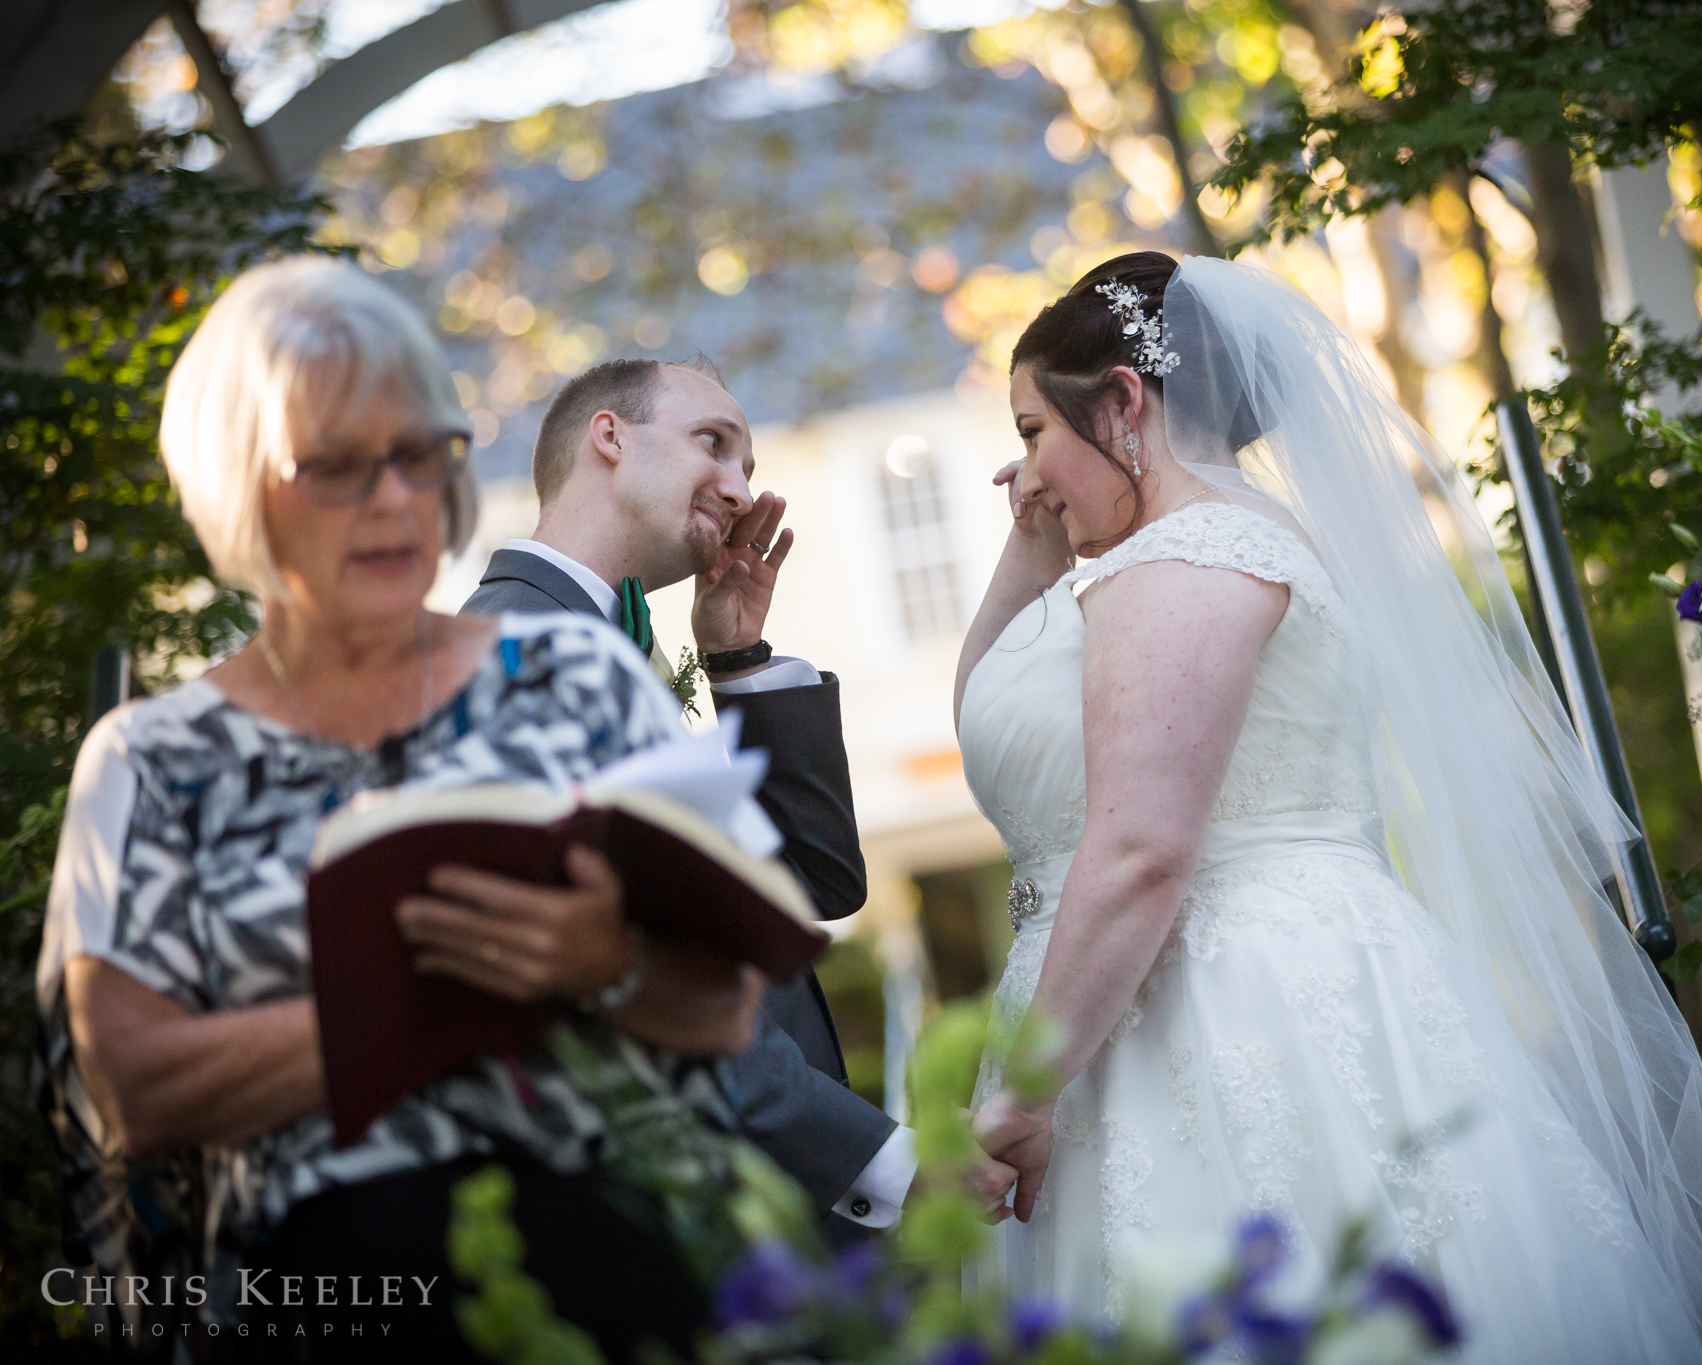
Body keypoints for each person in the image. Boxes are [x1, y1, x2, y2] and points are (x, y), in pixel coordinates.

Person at [959, 252, 1702, 1363]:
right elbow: (998, 728)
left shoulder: (1189, 560)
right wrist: (1032, 544)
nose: (1027, 469)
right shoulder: (1209, 543)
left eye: (1034, 429)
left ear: (1124, 402)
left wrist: (1027, 1093)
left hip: (1221, 1000)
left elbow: (1138, 850)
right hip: (1211, 975)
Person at [36, 258, 764, 1359]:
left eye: (417, 457)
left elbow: (727, 1006)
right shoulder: (151, 757)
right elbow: (130, 1083)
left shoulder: (577, 676)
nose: (390, 500)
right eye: (335, 468)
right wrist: (427, 1001)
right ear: (240, 487)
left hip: (618, 1274)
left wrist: (600, 962)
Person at [461, 358, 1005, 1244]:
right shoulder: (524, 650)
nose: (739, 487)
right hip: (683, 1220)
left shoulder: (603, 640)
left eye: (749, 463)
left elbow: (813, 885)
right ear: (609, 436)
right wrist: (886, 1161)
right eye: (712, 443)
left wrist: (739, 661)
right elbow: (631, 981)